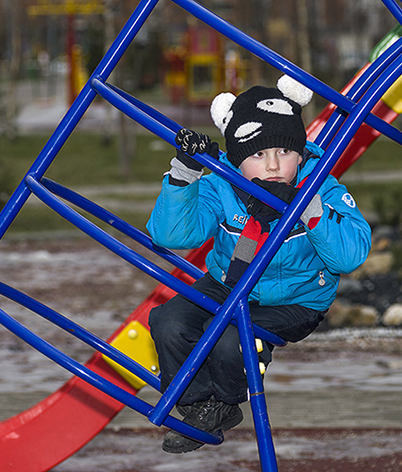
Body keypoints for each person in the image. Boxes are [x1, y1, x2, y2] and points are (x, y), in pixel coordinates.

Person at [146, 75, 372, 454]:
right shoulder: (223, 186)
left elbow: (350, 256)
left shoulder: (322, 186)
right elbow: (172, 236)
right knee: (168, 323)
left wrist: (307, 208)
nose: (272, 167)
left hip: (296, 300)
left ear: (301, 154)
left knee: (229, 339)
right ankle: (199, 406)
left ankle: (225, 400)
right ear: (237, 160)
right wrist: (184, 174)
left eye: (284, 153)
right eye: (257, 156)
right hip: (228, 283)